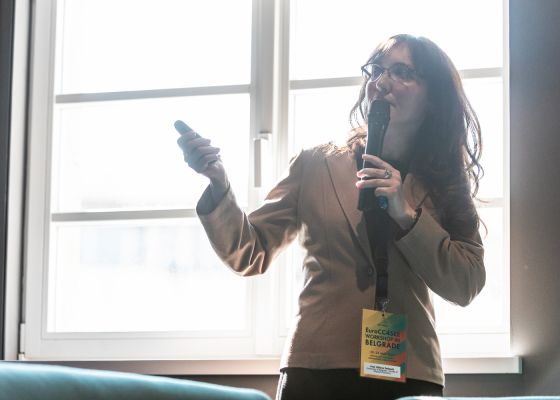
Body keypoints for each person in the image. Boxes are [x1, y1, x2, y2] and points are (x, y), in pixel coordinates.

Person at [176, 34, 486, 400]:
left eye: (402, 72)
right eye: (376, 70)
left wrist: (406, 214)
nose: (382, 82)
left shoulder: (445, 182)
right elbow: (250, 251)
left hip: (408, 370)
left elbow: (466, 284)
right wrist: (218, 184)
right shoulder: (315, 164)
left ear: (433, 99)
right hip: (315, 368)